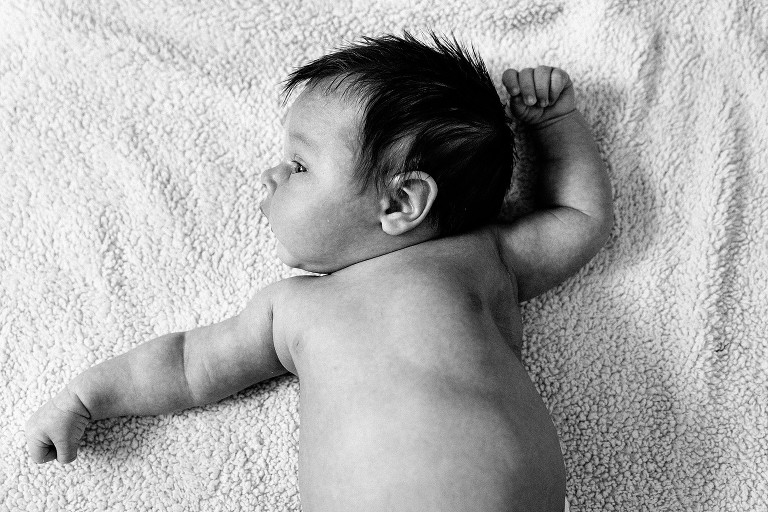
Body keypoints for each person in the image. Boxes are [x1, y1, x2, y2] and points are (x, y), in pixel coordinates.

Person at [25, 31, 612, 512]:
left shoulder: (478, 259)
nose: (272, 175)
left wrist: (554, 126)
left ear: (400, 202)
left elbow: (580, 220)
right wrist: (87, 396)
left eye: (299, 164)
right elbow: (185, 365)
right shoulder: (291, 307)